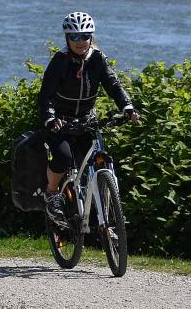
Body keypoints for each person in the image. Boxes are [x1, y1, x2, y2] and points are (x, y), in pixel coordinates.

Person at [37, 11, 139, 224]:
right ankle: (52, 193)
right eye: (74, 37)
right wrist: (50, 119)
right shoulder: (60, 61)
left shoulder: (98, 59)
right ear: (67, 38)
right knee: (63, 157)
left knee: (98, 158)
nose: (80, 41)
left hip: (86, 121)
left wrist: (127, 106)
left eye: (85, 36)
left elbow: (113, 84)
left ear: (91, 37)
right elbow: (45, 95)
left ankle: (111, 213)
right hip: (60, 122)